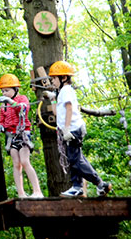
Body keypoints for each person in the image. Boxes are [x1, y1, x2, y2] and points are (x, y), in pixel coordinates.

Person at [45, 60, 112, 197]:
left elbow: (69, 108)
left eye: (54, 78)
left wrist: (67, 129)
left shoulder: (66, 90)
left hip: (73, 129)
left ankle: (100, 184)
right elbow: (57, 114)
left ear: (64, 78)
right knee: (75, 158)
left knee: (75, 160)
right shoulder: (61, 92)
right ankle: (77, 187)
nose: (52, 81)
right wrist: (53, 99)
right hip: (70, 129)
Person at [0, 74, 44, 198]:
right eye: (3, 91)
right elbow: (3, 119)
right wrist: (0, 125)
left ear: (15, 89)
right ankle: (21, 194)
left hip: (23, 133)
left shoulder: (22, 98)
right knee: (16, 163)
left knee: (24, 161)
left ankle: (37, 191)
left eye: (7, 90)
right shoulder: (3, 104)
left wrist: (11, 102)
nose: (4, 93)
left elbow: (23, 110)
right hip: (10, 136)